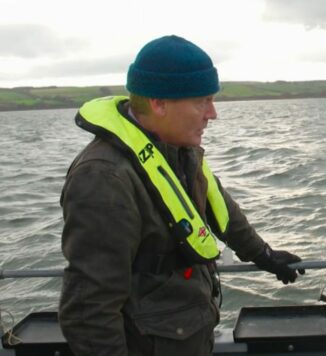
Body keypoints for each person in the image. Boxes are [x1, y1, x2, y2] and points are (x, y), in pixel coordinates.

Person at [59, 35, 305, 356]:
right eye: (202, 101)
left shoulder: (177, 150)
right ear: (160, 103)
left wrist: (264, 255)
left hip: (187, 336)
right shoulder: (103, 177)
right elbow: (89, 312)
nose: (212, 114)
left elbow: (221, 209)